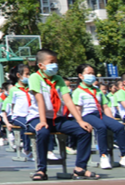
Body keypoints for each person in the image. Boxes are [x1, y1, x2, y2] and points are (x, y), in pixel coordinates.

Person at [26, 49, 95, 181]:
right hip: (38, 117)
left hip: (57, 118)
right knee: (43, 132)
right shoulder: (35, 78)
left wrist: (80, 120)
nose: (55, 65)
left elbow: (68, 100)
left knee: (84, 130)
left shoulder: (58, 79)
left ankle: (80, 168)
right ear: (41, 65)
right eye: (51, 62)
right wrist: (42, 121)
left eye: (56, 62)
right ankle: (41, 170)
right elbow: (39, 99)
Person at [74, 66, 125, 170]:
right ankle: (103, 156)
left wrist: (111, 120)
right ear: (81, 76)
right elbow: (77, 109)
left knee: (118, 127)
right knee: (101, 127)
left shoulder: (97, 91)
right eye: (89, 73)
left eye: (93, 73)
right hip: (87, 115)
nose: (92, 76)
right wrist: (80, 121)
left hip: (100, 114)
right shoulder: (78, 91)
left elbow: (105, 106)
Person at [5, 64, 35, 160]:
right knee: (26, 125)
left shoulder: (30, 89)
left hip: (30, 114)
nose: (29, 76)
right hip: (18, 116)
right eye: (27, 74)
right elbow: (11, 104)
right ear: (19, 75)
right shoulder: (14, 90)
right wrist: (11, 117)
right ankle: (27, 149)